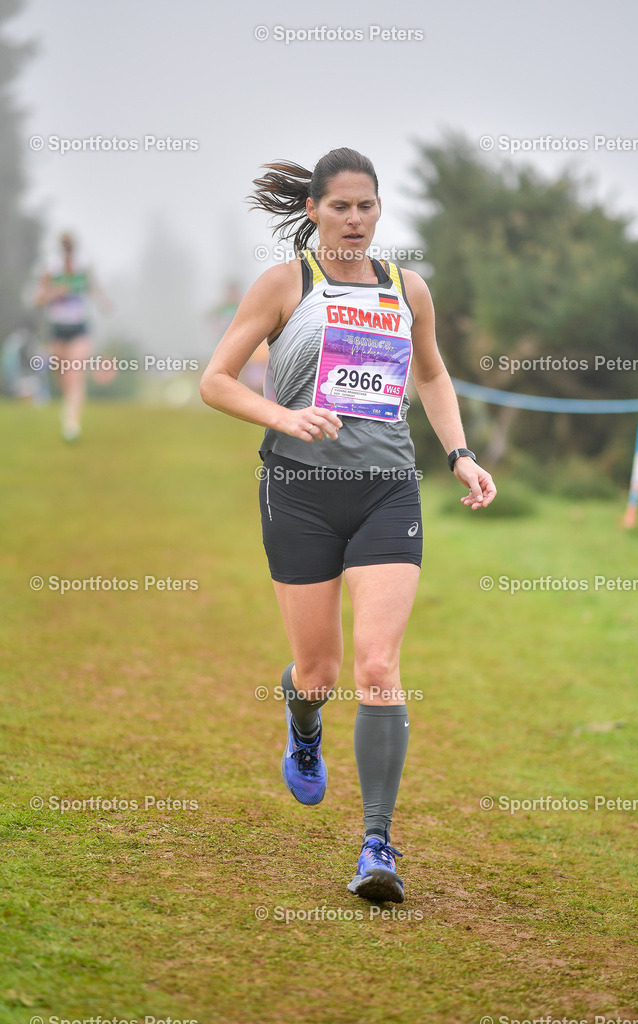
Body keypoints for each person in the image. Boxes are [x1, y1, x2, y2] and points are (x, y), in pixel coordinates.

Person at [200, 147, 496, 903]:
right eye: (340, 207)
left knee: (376, 670)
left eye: (366, 206)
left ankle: (376, 845)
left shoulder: (407, 289)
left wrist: (458, 453)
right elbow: (215, 380)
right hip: (297, 494)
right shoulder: (284, 285)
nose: (355, 220)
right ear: (313, 210)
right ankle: (303, 720)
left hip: (386, 493)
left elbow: (429, 373)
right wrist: (284, 416)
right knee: (319, 674)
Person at [34, 232, 110, 441]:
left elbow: (94, 289)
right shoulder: (51, 268)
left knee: (75, 374)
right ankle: (69, 405)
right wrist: (54, 293)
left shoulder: (83, 267)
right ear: (62, 249)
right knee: (63, 377)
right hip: (57, 329)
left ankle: (71, 421)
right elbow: (38, 298)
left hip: (79, 328)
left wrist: (104, 302)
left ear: (73, 249)